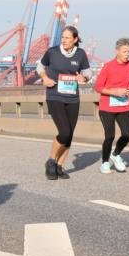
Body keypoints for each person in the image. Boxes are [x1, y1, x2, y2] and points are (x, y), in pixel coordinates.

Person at [38, 26, 91, 180]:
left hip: (73, 98)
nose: (64, 40)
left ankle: (59, 166)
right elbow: (40, 66)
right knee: (64, 132)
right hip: (55, 95)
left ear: (75, 39)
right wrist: (45, 78)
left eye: (68, 38)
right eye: (63, 37)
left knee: (69, 135)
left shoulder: (80, 54)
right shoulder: (52, 52)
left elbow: (87, 72)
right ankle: (51, 161)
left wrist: (84, 78)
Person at [94, 38, 129, 174]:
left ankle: (116, 154)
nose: (127, 54)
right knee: (110, 136)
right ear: (116, 51)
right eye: (124, 51)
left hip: (124, 106)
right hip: (107, 107)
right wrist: (114, 92)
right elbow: (98, 87)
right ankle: (105, 163)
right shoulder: (108, 67)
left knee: (127, 134)